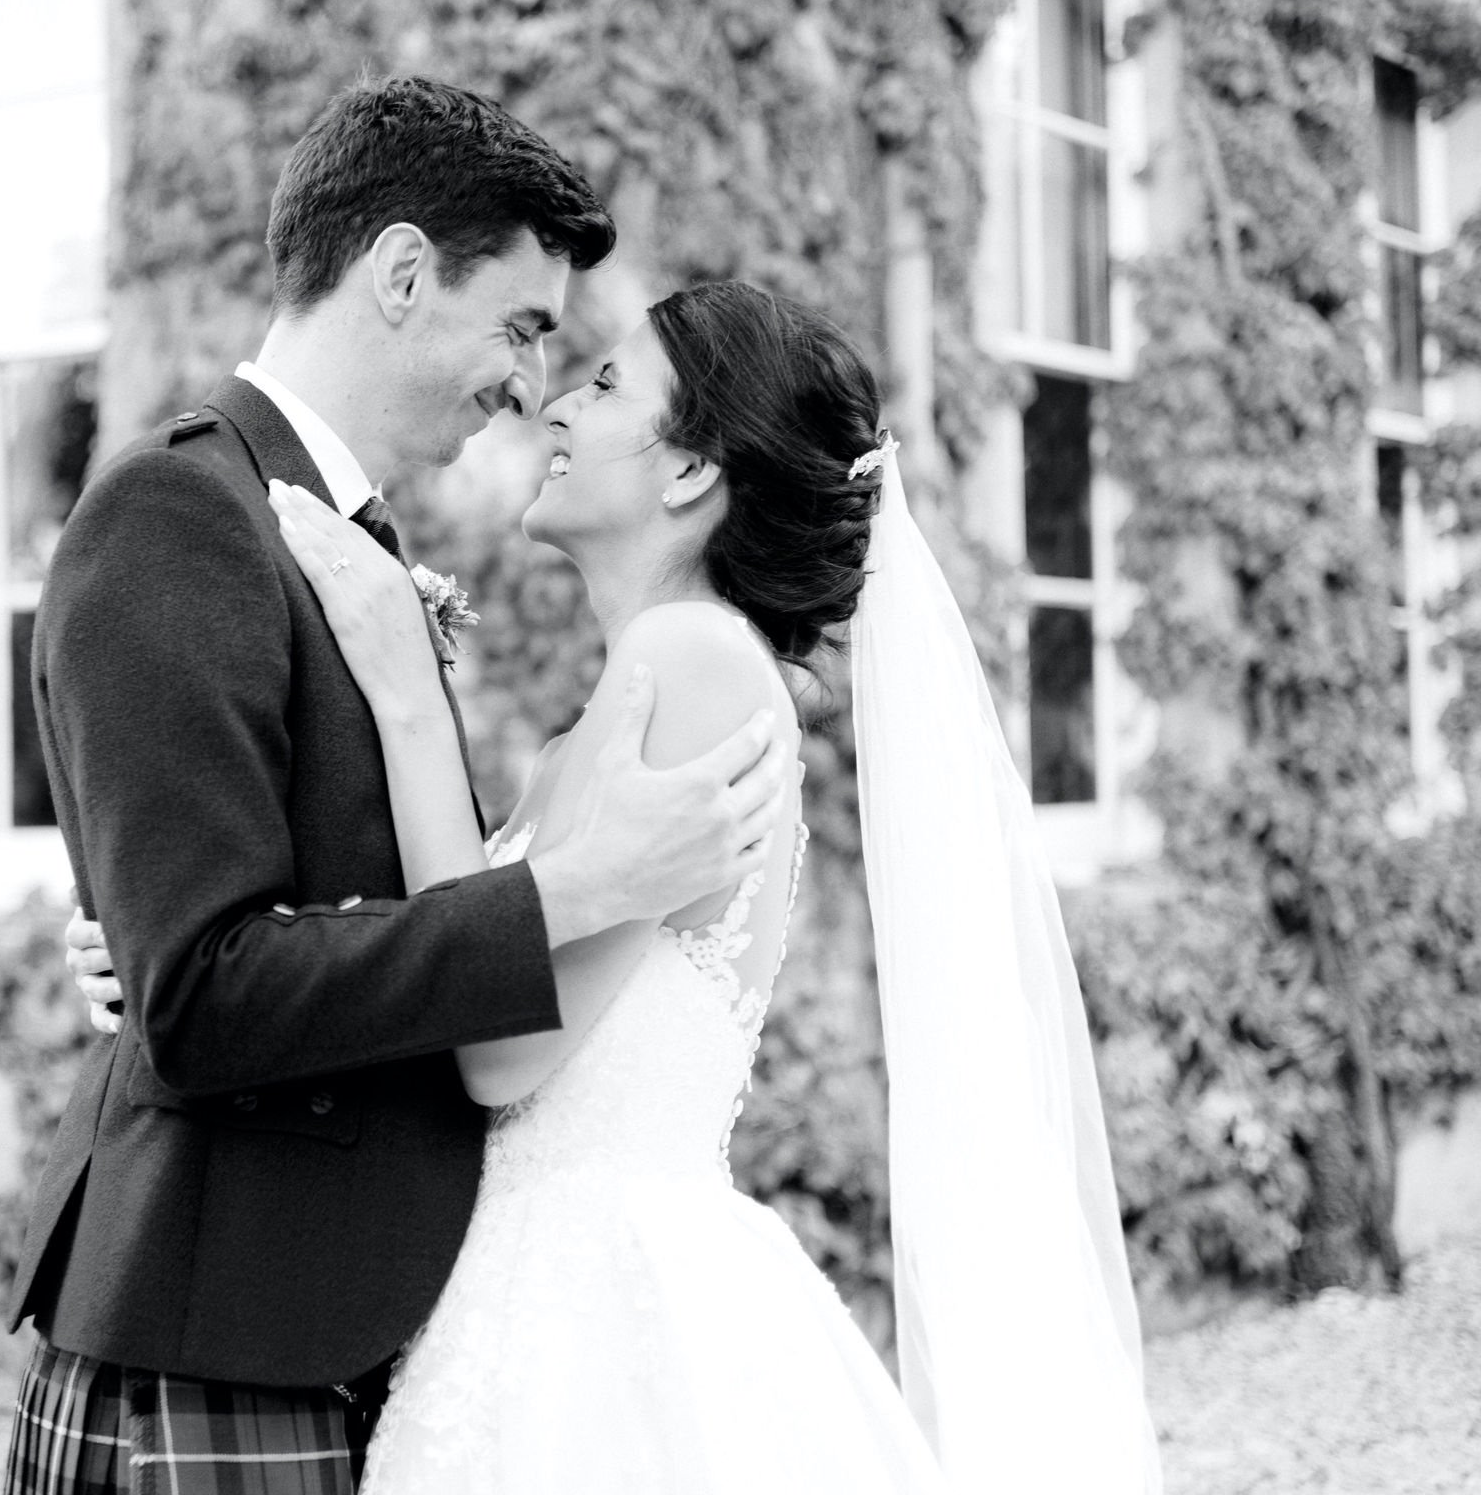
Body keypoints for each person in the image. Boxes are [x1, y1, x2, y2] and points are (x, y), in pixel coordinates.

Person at [68, 281, 1165, 1493]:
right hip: (532, 1287)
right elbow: (465, 939)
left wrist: (400, 691)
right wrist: (180, 931)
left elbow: (493, 1053)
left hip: (592, 1311)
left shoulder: (687, 663)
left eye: (601, 386)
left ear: (689, 471)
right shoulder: (633, 695)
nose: (552, 407)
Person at [5, 78, 792, 1495]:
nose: (528, 381)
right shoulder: (181, 514)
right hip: (218, 1341)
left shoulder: (340, 545)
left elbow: (235, 929)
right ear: (405, 273)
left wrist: (146, 937)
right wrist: (570, 892)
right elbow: (207, 994)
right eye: (521, 326)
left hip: (336, 1335)